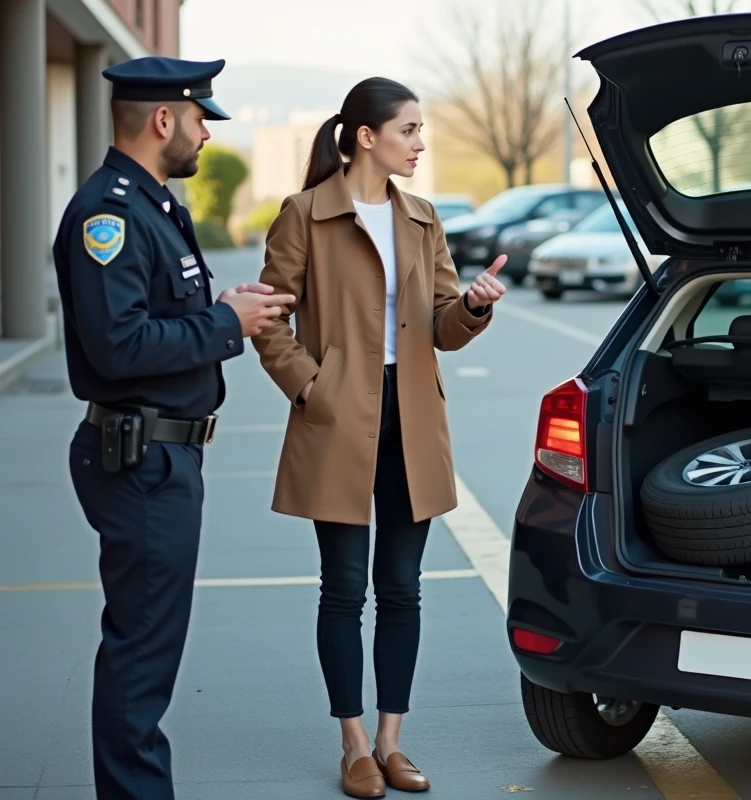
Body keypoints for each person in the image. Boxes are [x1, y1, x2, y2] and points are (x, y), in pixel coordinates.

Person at [251, 77, 506, 797]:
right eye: (410, 130)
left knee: (402, 588)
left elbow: (444, 327)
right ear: (368, 136)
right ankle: (354, 745)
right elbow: (268, 317)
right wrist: (309, 385)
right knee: (343, 588)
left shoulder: (423, 218)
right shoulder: (305, 213)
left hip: (413, 414)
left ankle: (394, 741)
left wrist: (476, 307)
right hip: (337, 413)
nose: (421, 144)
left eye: (422, 132)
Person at [52, 56, 295, 799]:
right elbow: (118, 345)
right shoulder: (111, 214)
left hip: (159, 455)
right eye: (198, 119)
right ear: (164, 120)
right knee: (141, 656)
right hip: (140, 460)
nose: (203, 135)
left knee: (147, 649)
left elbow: (148, 317)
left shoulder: (152, 205)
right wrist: (226, 323)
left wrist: (220, 307)